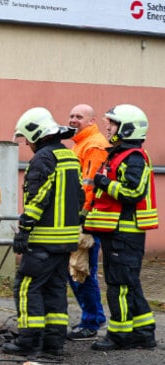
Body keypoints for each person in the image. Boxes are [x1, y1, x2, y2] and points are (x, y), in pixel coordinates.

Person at [3, 107, 83, 357]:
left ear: (37, 133)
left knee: (27, 286)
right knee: (55, 288)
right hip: (66, 238)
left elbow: (38, 198)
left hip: (45, 238)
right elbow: (79, 197)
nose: (26, 143)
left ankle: (28, 341)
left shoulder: (43, 159)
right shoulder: (68, 155)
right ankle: (54, 343)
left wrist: (24, 230)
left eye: (27, 138)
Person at [84, 104, 159, 351]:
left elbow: (134, 192)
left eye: (113, 124)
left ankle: (120, 335)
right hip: (117, 232)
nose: (108, 127)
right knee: (128, 282)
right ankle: (144, 332)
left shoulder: (133, 157)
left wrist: (104, 183)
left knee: (119, 286)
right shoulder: (118, 154)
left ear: (127, 128)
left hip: (125, 233)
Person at [66, 104, 109, 340]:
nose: (73, 120)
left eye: (79, 117)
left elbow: (89, 185)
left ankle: (92, 321)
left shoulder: (93, 145)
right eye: (71, 116)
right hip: (81, 217)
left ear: (91, 121)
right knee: (76, 270)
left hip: (87, 220)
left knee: (81, 270)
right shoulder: (82, 143)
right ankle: (91, 318)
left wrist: (82, 218)